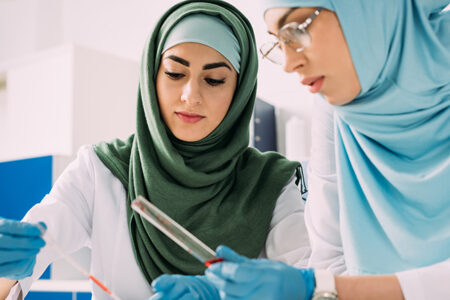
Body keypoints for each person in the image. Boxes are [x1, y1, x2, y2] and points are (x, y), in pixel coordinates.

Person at [0, 0, 313, 299]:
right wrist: (6, 265)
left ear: (240, 90)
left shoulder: (275, 184)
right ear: (152, 77)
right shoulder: (99, 170)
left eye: (215, 79)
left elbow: (308, 280)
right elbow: (36, 243)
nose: (191, 95)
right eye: (175, 74)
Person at [153, 0, 450, 299]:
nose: (288, 63)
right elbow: (330, 260)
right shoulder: (335, 110)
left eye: (296, 29)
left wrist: (319, 286)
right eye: (279, 42)